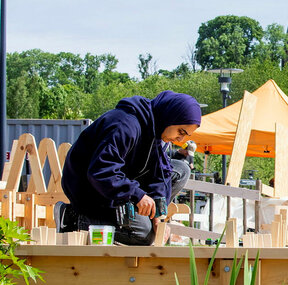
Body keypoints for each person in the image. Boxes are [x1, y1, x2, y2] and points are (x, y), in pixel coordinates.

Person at [57, 90, 201, 245]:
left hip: (117, 185)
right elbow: (100, 171)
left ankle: (138, 215)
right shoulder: (125, 125)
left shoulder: (156, 130)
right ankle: (75, 218)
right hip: (91, 192)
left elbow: (159, 174)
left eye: (186, 136)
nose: (181, 139)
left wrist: (158, 214)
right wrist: (136, 195)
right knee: (145, 236)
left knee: (181, 170)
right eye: (181, 131)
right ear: (170, 116)